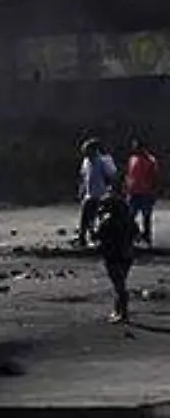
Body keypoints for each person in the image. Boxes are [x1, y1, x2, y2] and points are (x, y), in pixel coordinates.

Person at [92, 182, 139, 323]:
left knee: (119, 285)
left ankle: (122, 313)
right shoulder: (128, 219)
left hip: (112, 255)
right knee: (120, 282)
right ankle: (118, 310)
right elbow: (136, 233)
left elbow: (97, 236)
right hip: (127, 254)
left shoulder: (107, 221)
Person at [77, 138, 118, 247]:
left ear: (95, 150)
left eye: (88, 151)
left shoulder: (103, 161)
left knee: (100, 218)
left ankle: (101, 239)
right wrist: (82, 190)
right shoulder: (86, 162)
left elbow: (112, 176)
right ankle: (83, 238)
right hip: (89, 194)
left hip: (102, 195)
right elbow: (84, 177)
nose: (86, 154)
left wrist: (111, 192)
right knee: (85, 218)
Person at [126, 139, 161, 248]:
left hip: (146, 192)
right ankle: (133, 237)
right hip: (133, 192)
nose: (135, 149)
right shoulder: (132, 159)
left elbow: (155, 177)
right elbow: (129, 174)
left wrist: (154, 192)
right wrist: (127, 188)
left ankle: (147, 238)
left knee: (146, 217)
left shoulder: (151, 160)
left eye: (137, 147)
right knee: (130, 216)